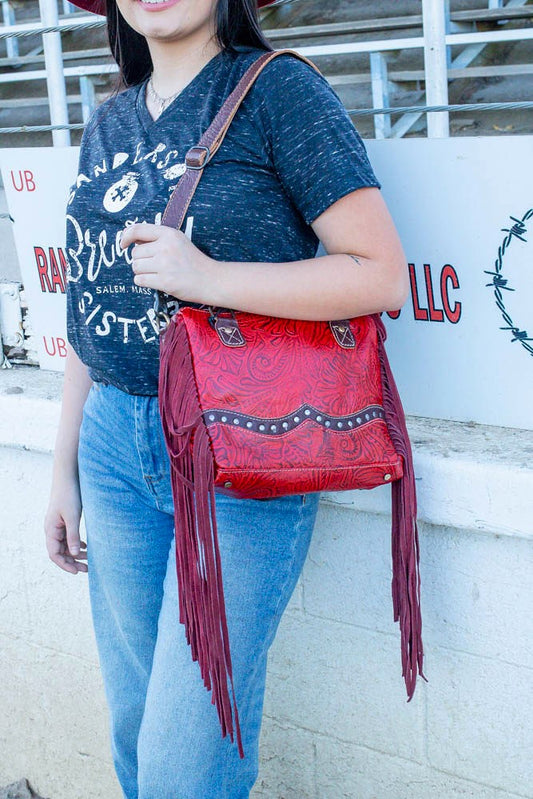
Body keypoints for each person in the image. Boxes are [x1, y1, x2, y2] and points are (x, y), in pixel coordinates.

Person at [44, 0, 410, 796]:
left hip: (236, 444)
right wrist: (63, 464)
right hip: (113, 439)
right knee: (134, 722)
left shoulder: (277, 91)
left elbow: (380, 273)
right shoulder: (109, 120)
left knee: (185, 755)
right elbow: (91, 301)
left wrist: (206, 278)